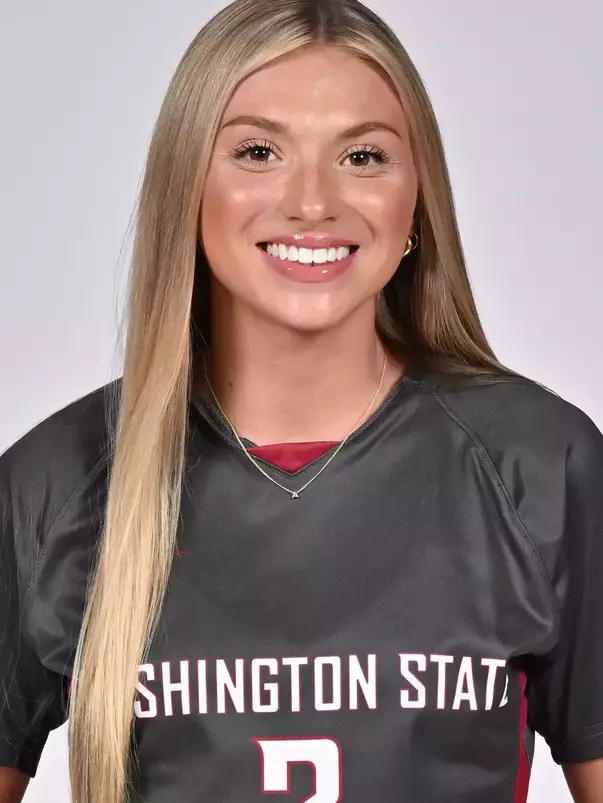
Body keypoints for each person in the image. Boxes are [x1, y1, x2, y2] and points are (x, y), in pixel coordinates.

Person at [1, 0, 602, 801]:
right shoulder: (58, 481)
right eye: (257, 151)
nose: (313, 202)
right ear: (187, 187)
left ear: (414, 203)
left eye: (363, 156)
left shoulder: (536, 464)